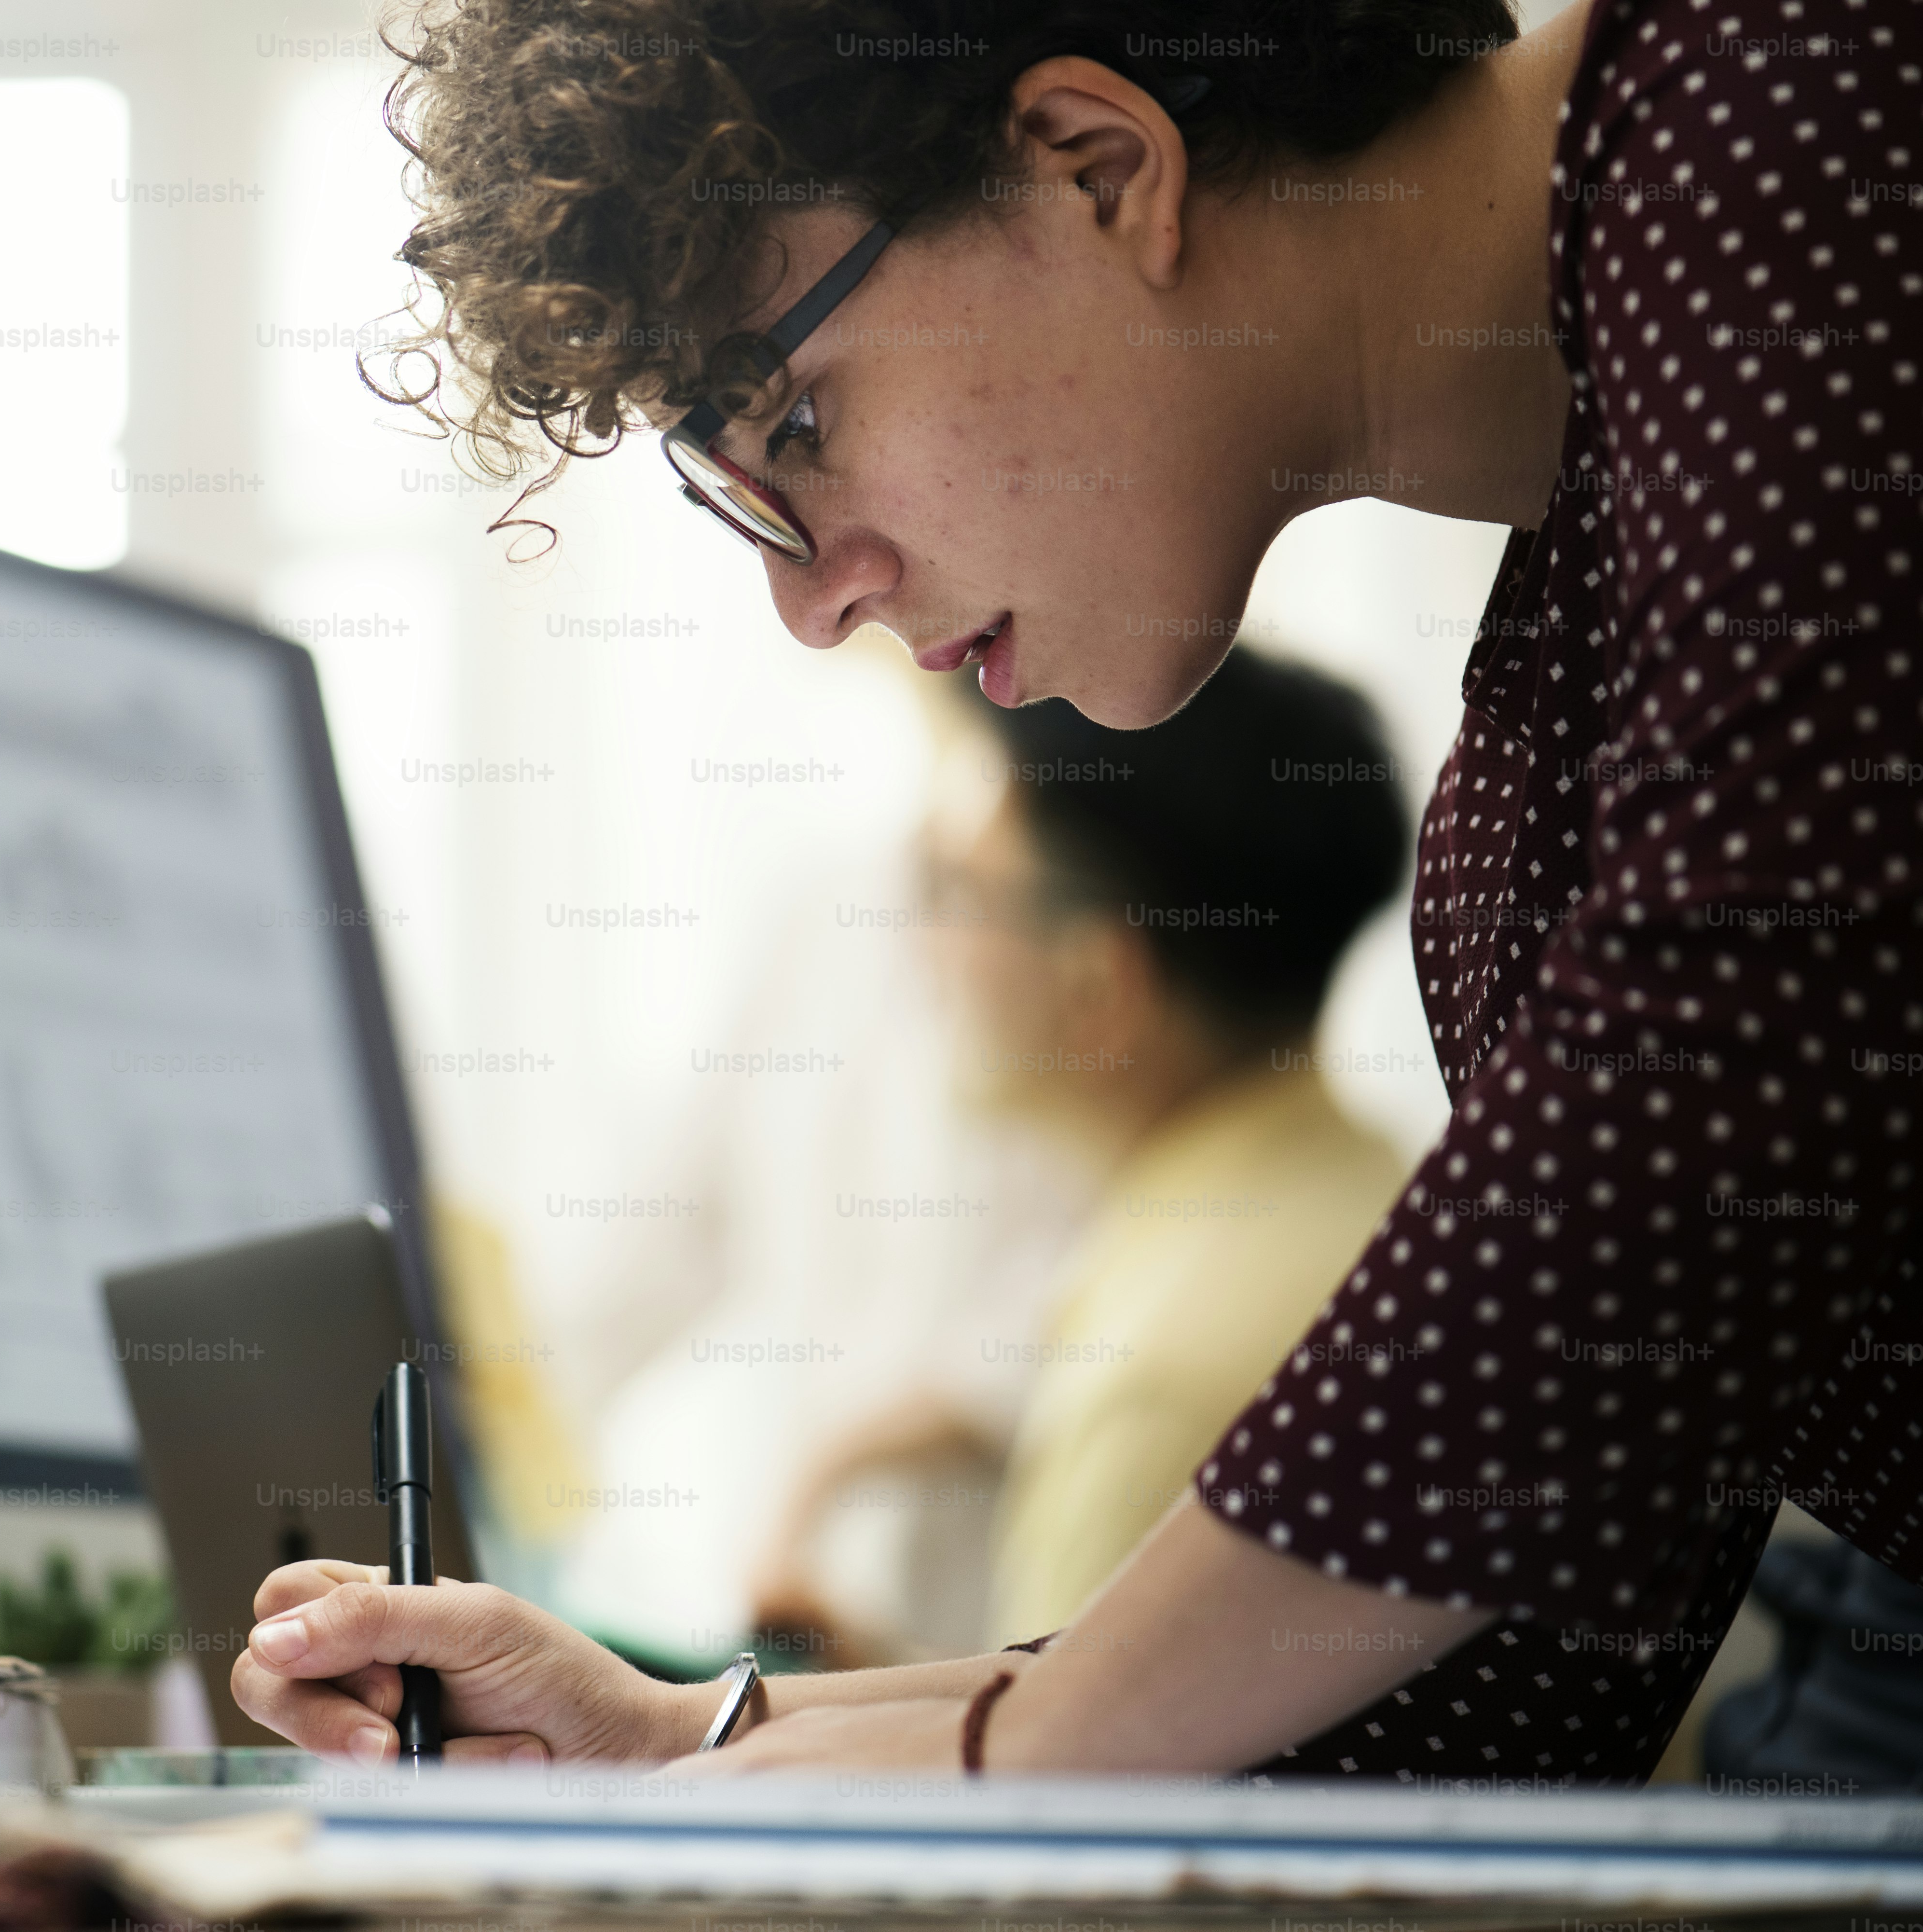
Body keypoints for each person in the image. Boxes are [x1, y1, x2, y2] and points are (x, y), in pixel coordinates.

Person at [230, 0, 1922, 1784]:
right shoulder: (1535, 783)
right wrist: (691, 1740)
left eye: (793, 423)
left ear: (1096, 170)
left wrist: (1009, 1755)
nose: (812, 606)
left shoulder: (1797, 84)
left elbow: (1744, 1056)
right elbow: (1523, 1654)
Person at [758, 648, 1419, 1654]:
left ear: (1098, 988)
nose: (924, 944)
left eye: (962, 892)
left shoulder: (1160, 1379)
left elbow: (1062, 1807)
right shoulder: (1376, 1198)